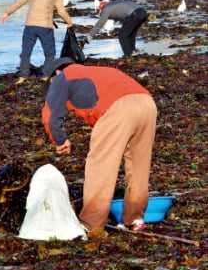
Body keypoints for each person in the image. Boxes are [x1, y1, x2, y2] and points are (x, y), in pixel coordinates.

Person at [41, 57, 157, 234]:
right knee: (138, 164)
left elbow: (50, 116)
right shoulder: (101, 71)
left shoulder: (63, 76)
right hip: (147, 103)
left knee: (100, 166)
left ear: (55, 73)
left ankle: (91, 224)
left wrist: (60, 140)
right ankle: (135, 219)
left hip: (118, 109)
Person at [0, 0, 73, 85]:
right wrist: (69, 22)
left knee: (26, 52)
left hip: (30, 26)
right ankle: (46, 75)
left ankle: (23, 76)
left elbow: (19, 3)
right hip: (45, 27)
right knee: (49, 53)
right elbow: (61, 12)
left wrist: (7, 13)